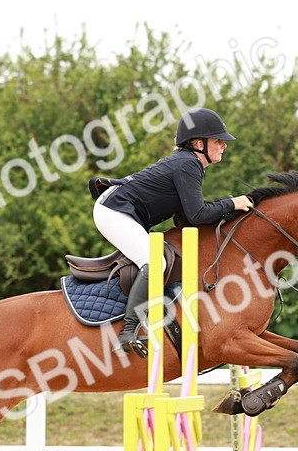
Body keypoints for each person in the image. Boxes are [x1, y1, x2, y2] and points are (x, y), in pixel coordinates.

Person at [93, 107, 254, 356]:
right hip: (113, 211)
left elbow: (187, 218)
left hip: (120, 209)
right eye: (218, 141)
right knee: (154, 262)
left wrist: (228, 211)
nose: (224, 145)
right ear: (199, 143)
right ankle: (128, 331)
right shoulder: (188, 164)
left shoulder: (187, 163)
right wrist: (232, 203)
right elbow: (197, 215)